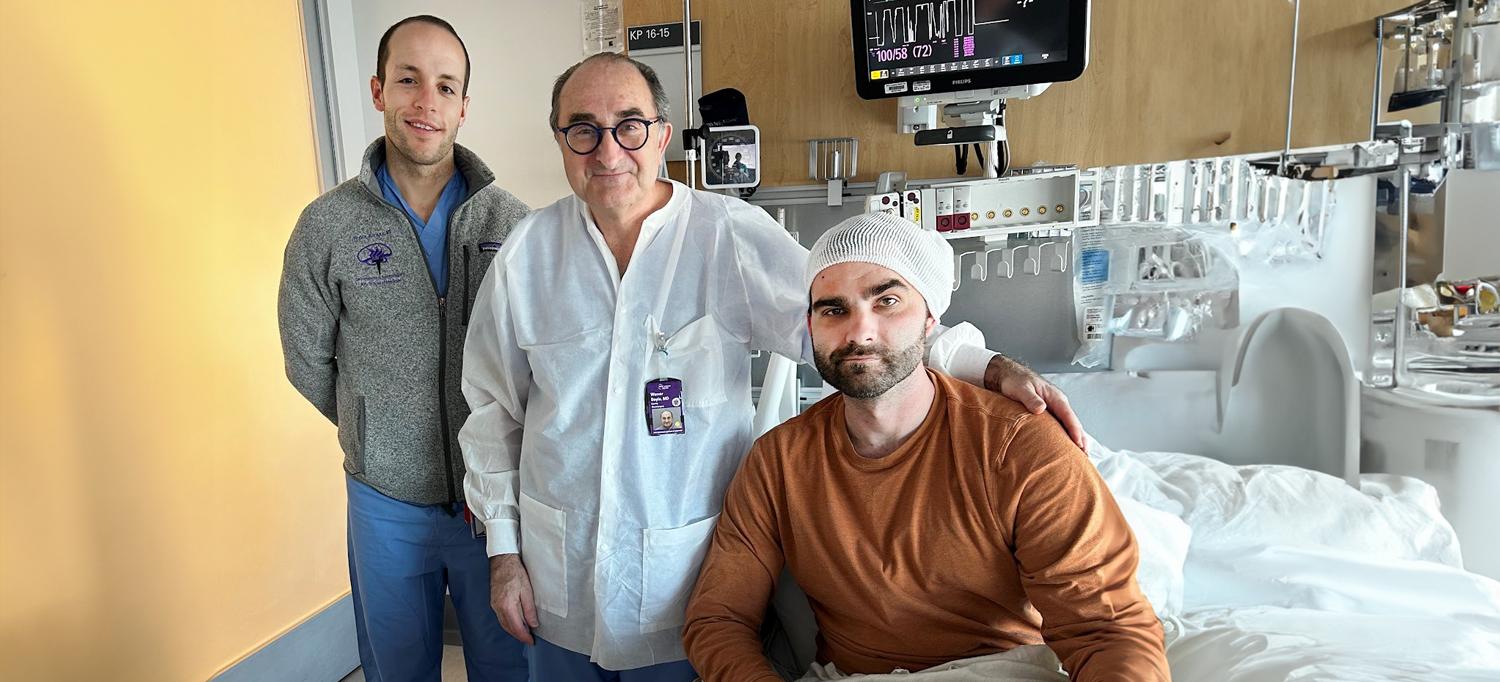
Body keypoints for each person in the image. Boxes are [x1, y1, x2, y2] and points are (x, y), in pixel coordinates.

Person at [458, 52, 1082, 681]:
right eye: (583, 128)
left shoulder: (727, 235)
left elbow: (849, 327)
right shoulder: (526, 256)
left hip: (682, 590)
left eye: (630, 124)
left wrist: (987, 365)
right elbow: (493, 410)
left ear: (663, 135)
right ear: (561, 140)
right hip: (556, 581)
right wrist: (504, 554)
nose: (608, 149)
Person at [682, 212, 1169, 681]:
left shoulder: (1018, 448)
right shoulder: (778, 463)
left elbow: (1107, 630)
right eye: (834, 309)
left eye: (887, 301)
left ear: (931, 318)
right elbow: (718, 620)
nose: (859, 331)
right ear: (811, 327)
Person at [278, 15, 528, 681]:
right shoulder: (326, 226)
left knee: (512, 668)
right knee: (396, 671)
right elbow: (306, 357)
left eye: (446, 87)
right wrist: (375, 427)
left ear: (465, 107)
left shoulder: (514, 224)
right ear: (377, 90)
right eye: (408, 80)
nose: (427, 102)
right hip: (384, 503)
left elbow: (541, 359)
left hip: (495, 503)